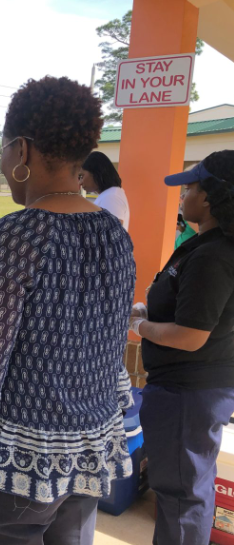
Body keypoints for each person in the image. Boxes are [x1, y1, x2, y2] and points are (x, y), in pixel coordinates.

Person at [0, 76, 136, 545]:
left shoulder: (13, 237)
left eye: (1, 150)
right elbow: (106, 344)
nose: (0, 162)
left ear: (22, 150)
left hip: (16, 464)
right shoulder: (115, 235)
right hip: (89, 446)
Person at [129, 150, 234, 545]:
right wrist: (150, 307)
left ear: (208, 197)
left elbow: (191, 336)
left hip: (187, 393)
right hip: (191, 391)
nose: (182, 196)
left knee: (180, 497)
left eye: (188, 188)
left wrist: (142, 326)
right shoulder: (204, 244)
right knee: (188, 490)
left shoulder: (213, 256)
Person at [79, 151, 130, 230]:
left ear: (96, 173)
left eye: (82, 176)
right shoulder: (109, 194)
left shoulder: (111, 197)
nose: (80, 182)